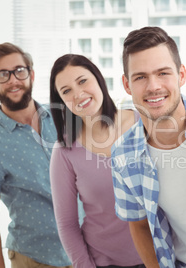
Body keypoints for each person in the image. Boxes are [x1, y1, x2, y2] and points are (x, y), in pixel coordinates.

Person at [111, 26, 186, 268]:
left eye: (163, 73)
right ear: (127, 84)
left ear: (181, 75)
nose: (153, 87)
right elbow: (139, 224)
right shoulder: (123, 155)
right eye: (140, 77)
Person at [0, 43, 71, 268]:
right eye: (3, 75)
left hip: (85, 252)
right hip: (35, 259)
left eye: (19, 71)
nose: (14, 80)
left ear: (31, 74)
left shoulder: (63, 116)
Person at [49, 54, 143, 268]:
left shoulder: (142, 123)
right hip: (104, 262)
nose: (78, 94)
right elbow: (67, 224)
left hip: (160, 256)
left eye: (82, 81)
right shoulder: (65, 151)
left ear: (98, 79)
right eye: (66, 91)